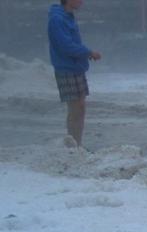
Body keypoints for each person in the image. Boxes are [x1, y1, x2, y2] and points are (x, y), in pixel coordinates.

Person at [47, 0, 101, 150]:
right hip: (66, 67)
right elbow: (66, 45)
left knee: (80, 108)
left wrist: (85, 53)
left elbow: (73, 42)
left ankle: (77, 145)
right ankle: (73, 147)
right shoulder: (57, 19)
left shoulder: (67, 16)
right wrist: (88, 53)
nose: (81, 1)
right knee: (75, 108)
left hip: (76, 67)